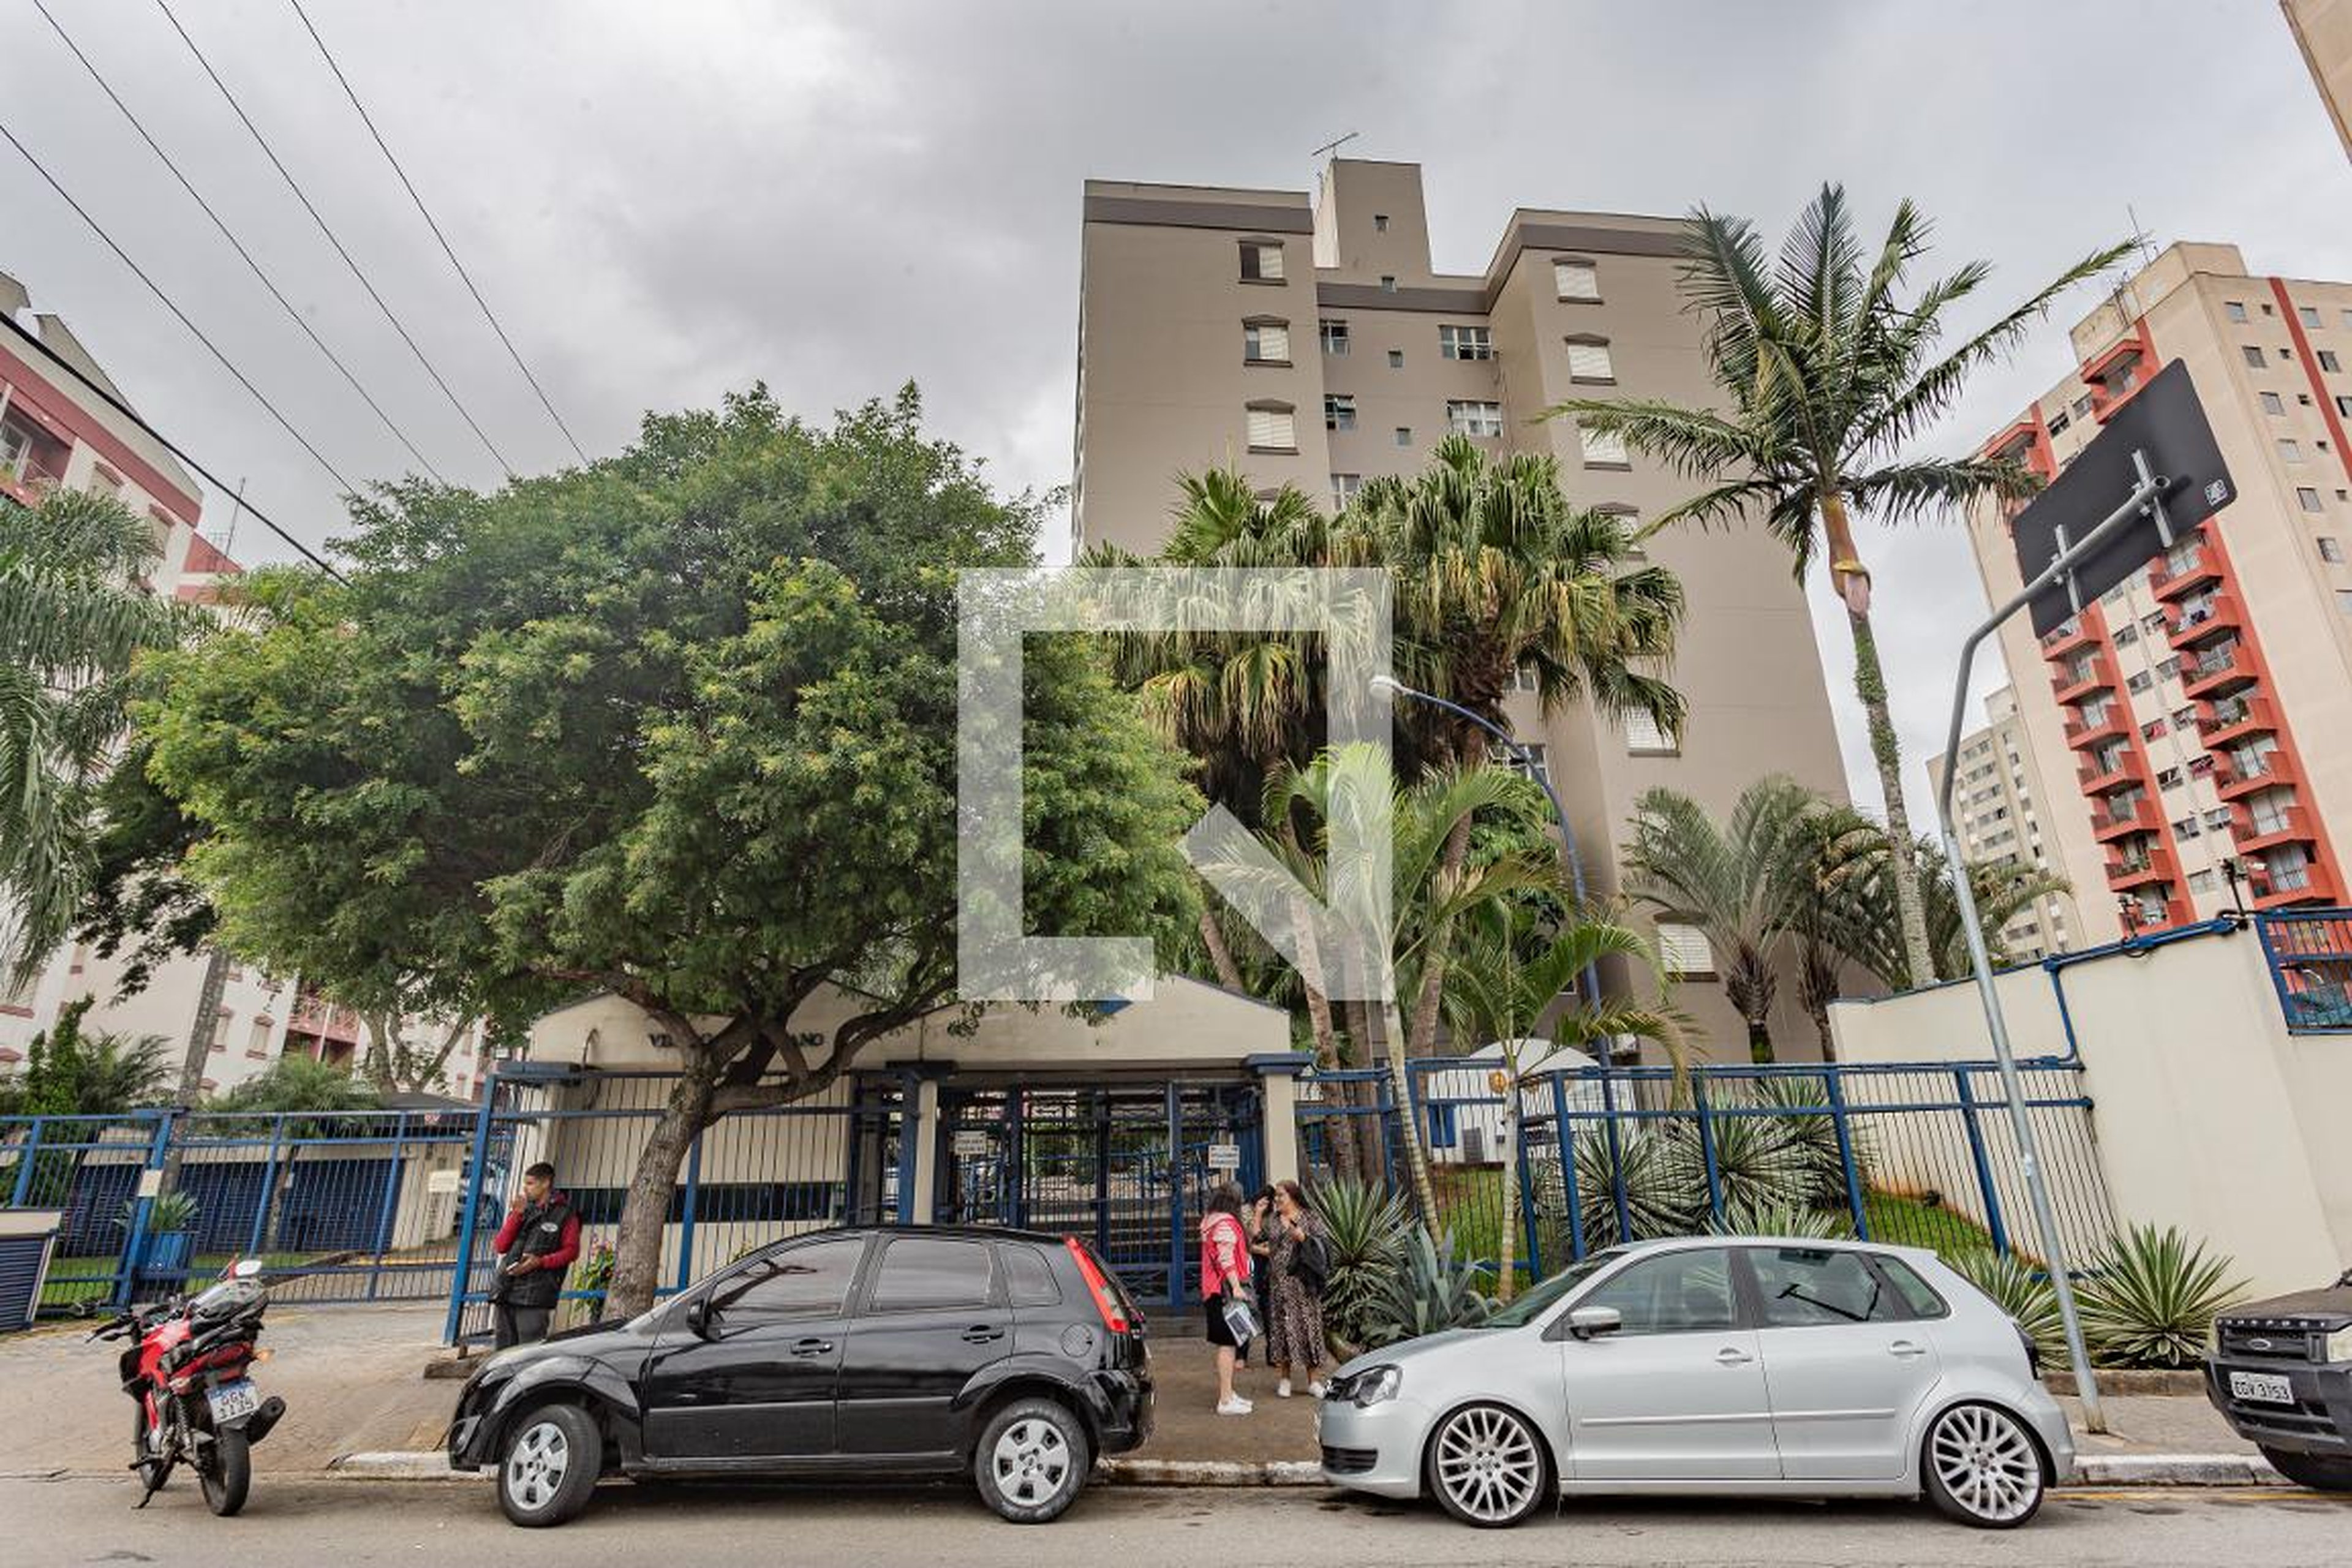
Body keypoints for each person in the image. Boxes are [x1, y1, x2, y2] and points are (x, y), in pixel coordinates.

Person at [490, 1161, 580, 1349]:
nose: (525, 1188)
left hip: (535, 1295)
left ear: (546, 1183)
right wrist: (516, 1215)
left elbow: (572, 1252)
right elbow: (501, 1246)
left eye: (530, 1183)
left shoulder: (565, 1214)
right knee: (502, 1350)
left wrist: (541, 1262)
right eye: (525, 1184)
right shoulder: (522, 1210)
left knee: (529, 1350)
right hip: (506, 1290)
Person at [1262, 1180, 1330, 1398]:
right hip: (1279, 1284)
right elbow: (1258, 1239)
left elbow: (1325, 1245)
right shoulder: (1272, 1220)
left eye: (1281, 1196)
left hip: (1303, 1284)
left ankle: (1314, 1381)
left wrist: (1304, 1238)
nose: (1277, 1200)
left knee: (1309, 1330)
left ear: (1292, 1196)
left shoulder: (1310, 1217)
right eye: (1276, 1197)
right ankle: (1285, 1379)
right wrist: (1257, 1213)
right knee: (1282, 1330)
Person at [1199, 1181, 1255, 1415]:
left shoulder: (1210, 1221)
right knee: (1228, 1344)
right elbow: (1225, 1258)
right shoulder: (1225, 1224)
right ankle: (1225, 1399)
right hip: (1223, 1292)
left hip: (1214, 1290)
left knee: (1230, 1342)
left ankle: (1229, 1393)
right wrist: (1236, 1286)